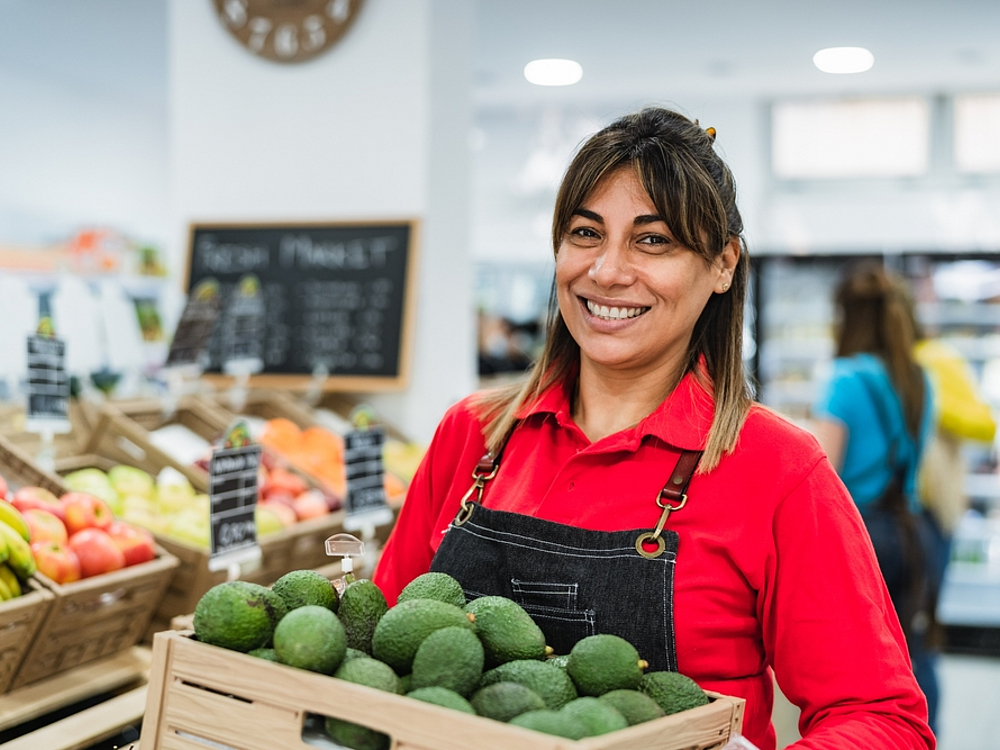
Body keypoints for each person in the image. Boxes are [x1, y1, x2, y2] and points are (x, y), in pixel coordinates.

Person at [374, 107, 934, 750]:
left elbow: (884, 720)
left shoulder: (776, 468)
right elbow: (387, 647)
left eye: (653, 240)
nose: (607, 271)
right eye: (586, 233)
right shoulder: (474, 435)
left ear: (723, 265)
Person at [811, 262, 939, 734]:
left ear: (848, 317)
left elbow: (824, 471)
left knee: (860, 666)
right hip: (911, 530)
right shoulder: (919, 378)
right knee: (911, 655)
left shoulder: (844, 378)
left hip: (862, 533)